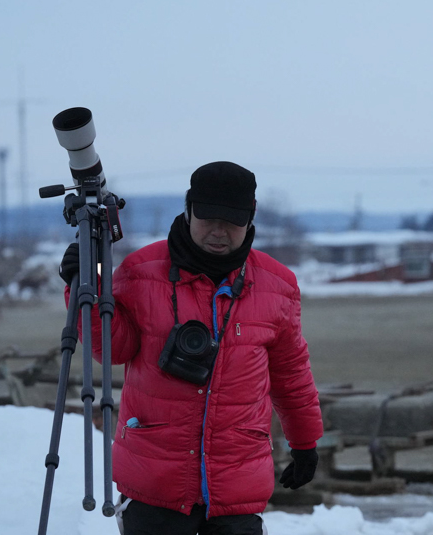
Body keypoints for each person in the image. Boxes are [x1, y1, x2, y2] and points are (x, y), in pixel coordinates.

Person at [61, 162, 321, 534]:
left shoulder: (278, 286)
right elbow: (112, 349)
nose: (218, 231)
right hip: (154, 480)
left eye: (231, 220)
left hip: (237, 481)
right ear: (188, 210)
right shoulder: (140, 272)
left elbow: (291, 373)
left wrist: (305, 442)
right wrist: (83, 286)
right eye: (207, 217)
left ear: (250, 219)